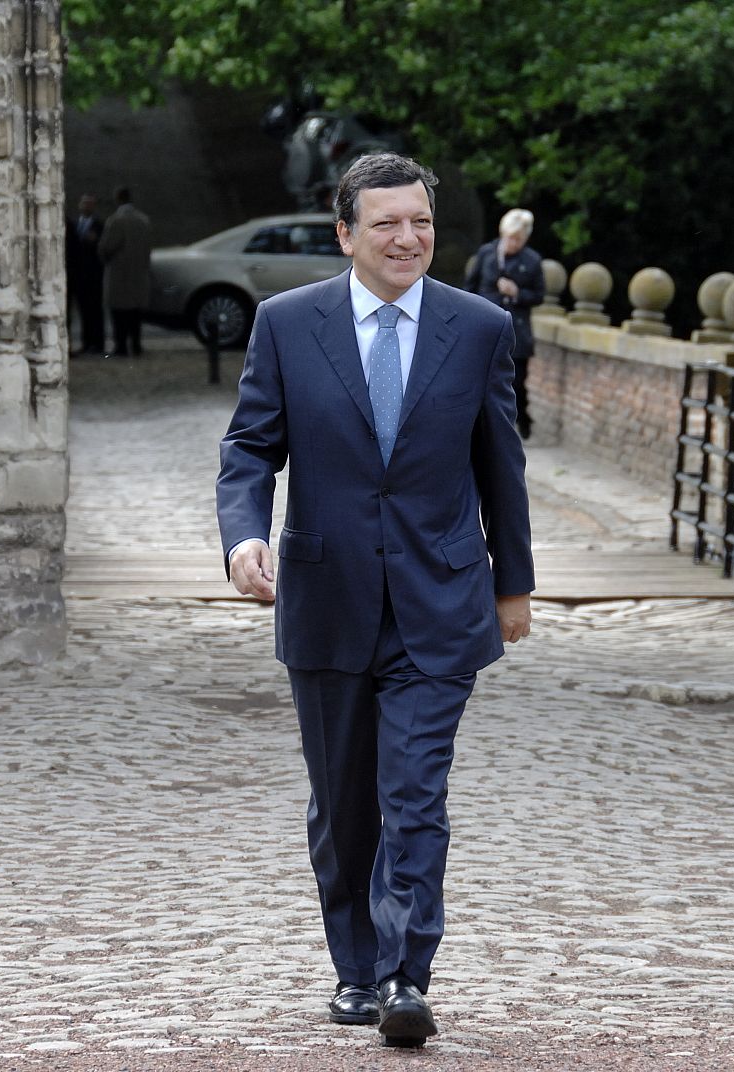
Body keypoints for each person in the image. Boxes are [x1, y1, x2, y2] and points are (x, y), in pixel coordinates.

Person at [216, 153, 534, 1048]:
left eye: (422, 222)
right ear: (347, 233)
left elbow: (498, 466)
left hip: (441, 600)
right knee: (344, 803)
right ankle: (355, 967)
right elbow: (250, 447)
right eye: (388, 223)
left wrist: (513, 586)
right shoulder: (287, 324)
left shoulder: (476, 327)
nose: (408, 238)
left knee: (414, 792)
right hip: (325, 596)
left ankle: (405, 973)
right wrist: (244, 536)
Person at [463, 208, 544, 438]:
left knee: (516, 383)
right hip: (485, 327)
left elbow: (539, 295)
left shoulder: (532, 260)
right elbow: (470, 288)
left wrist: (517, 293)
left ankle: (522, 420)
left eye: (518, 239)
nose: (513, 243)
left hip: (516, 331)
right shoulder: (487, 254)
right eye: (510, 237)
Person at [98, 186, 151, 356]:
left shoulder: (115, 221)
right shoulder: (143, 220)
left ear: (118, 199)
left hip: (119, 274)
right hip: (139, 274)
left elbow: (106, 247)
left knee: (119, 312)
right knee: (136, 313)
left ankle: (120, 346)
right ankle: (136, 345)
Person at [67, 193, 105, 355]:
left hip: (93, 275)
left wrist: (95, 241)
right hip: (78, 276)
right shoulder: (75, 224)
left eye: (90, 204)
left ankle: (97, 343)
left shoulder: (99, 226)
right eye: (84, 203)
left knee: (94, 310)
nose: (86, 206)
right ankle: (86, 342)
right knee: (83, 311)